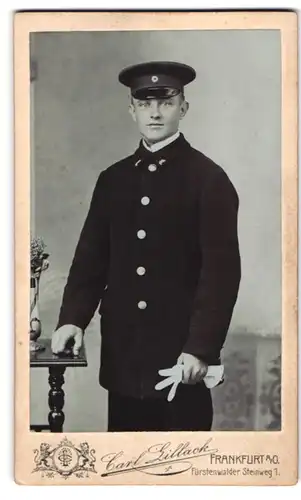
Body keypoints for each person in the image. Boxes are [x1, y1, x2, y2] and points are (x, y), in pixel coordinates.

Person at [51, 61, 241, 432]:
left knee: (180, 474)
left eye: (166, 102)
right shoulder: (113, 180)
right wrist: (73, 318)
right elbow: (91, 259)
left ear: (183, 108)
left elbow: (221, 275)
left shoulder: (209, 180)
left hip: (180, 362)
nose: (155, 112)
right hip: (124, 360)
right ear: (132, 109)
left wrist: (201, 348)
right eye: (144, 103)